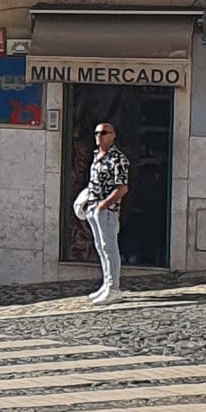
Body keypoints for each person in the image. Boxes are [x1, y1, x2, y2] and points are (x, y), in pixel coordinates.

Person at [73, 116, 129, 305]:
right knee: (100, 247)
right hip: (93, 208)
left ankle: (114, 288)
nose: (99, 136)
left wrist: (104, 205)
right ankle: (106, 285)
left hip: (106, 210)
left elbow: (122, 187)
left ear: (113, 136)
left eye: (104, 132)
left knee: (109, 248)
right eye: (97, 133)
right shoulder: (96, 157)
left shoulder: (117, 159)